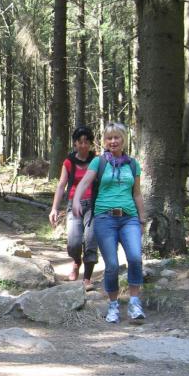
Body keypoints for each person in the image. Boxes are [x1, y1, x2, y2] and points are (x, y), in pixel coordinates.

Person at [72, 122, 146, 323]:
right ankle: (113, 305)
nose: (113, 141)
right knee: (112, 265)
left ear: (123, 139)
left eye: (117, 137)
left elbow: (137, 194)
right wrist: (76, 199)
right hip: (105, 218)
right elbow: (84, 183)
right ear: (105, 141)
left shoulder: (133, 164)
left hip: (129, 218)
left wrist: (142, 219)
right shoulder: (99, 162)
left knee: (135, 258)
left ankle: (134, 303)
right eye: (109, 138)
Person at [49, 126, 98, 289]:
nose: (83, 145)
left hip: (93, 205)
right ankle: (77, 261)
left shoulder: (97, 161)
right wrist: (54, 208)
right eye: (80, 142)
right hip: (74, 205)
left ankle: (87, 278)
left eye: (86, 142)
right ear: (75, 144)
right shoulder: (69, 162)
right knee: (74, 243)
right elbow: (61, 185)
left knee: (90, 240)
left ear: (90, 144)